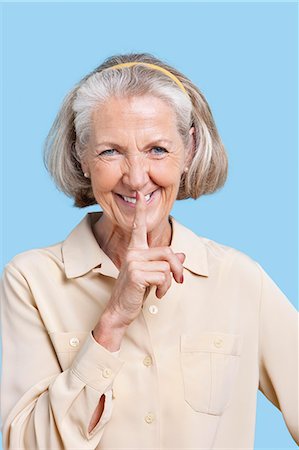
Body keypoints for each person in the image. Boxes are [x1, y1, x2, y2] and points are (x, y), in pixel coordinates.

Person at [0, 52, 298, 450]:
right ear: (81, 156)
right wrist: (112, 321)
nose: (137, 177)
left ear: (188, 150)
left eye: (157, 149)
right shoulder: (30, 280)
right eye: (110, 151)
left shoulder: (240, 278)